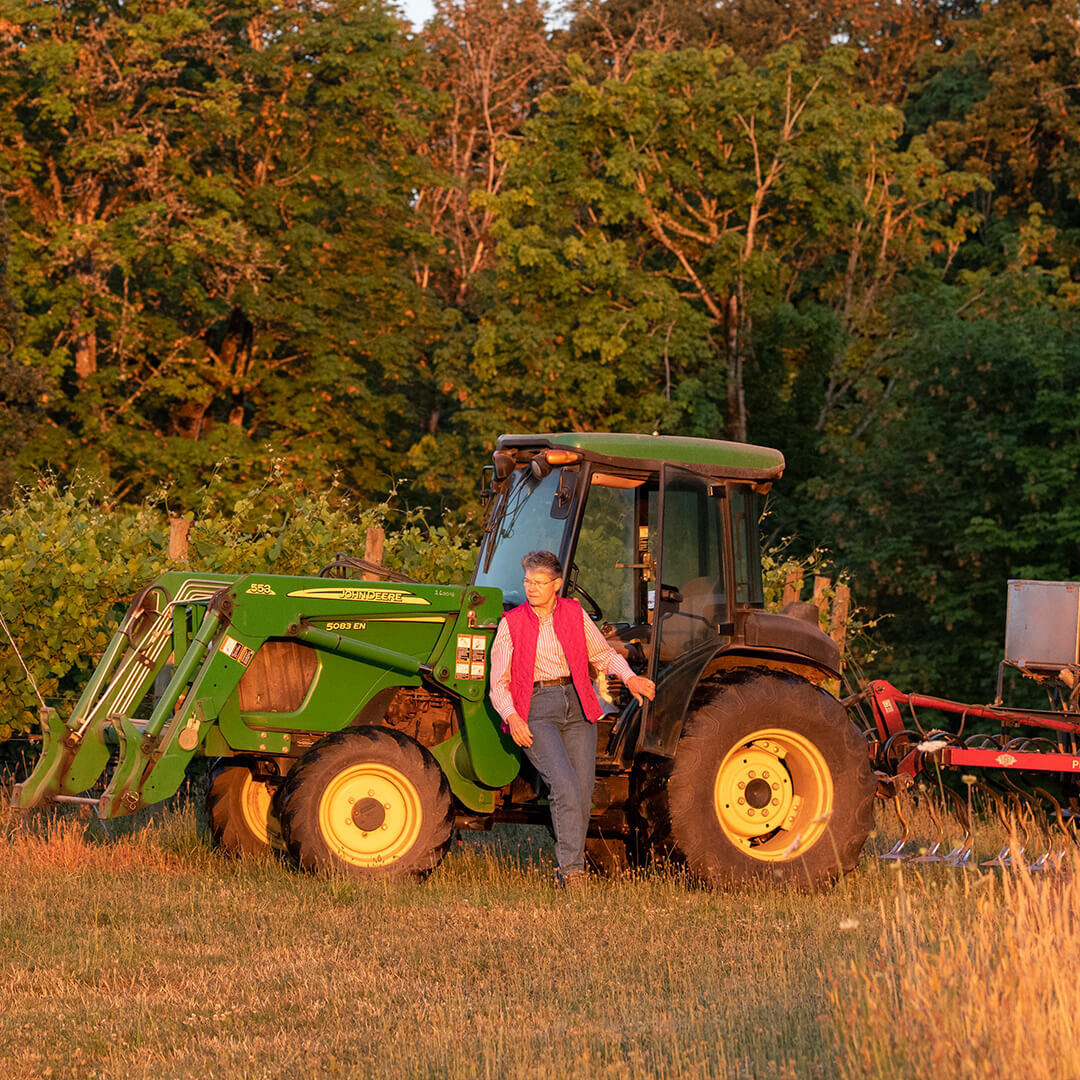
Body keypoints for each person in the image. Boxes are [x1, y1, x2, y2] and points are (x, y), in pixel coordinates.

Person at [489, 550, 656, 887]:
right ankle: (571, 872)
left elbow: (603, 654)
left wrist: (629, 678)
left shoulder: (575, 614)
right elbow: (498, 683)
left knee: (581, 794)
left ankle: (572, 864)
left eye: (539, 582)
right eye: (527, 582)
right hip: (536, 709)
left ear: (557, 584)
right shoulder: (512, 623)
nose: (531, 588)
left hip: (578, 704)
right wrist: (513, 718)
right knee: (563, 786)